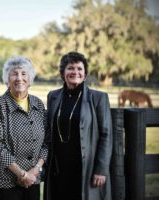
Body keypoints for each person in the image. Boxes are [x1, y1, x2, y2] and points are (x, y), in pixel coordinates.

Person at [43, 51, 113, 200]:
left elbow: (106, 135)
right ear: (63, 72)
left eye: (79, 69)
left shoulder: (98, 98)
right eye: (70, 68)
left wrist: (101, 169)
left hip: (86, 167)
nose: (75, 72)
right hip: (59, 167)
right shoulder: (53, 96)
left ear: (85, 73)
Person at [0, 56, 48, 200]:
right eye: (14, 74)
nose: (19, 78)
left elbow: (46, 143)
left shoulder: (38, 104)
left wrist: (35, 170)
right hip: (5, 182)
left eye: (23, 73)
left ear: (30, 79)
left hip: (33, 179)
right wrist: (21, 174)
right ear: (7, 80)